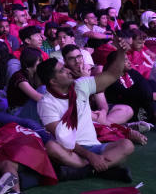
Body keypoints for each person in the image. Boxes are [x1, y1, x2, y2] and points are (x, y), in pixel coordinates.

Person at [36, 50, 135, 180]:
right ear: (53, 81)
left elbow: (112, 74)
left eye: (65, 67)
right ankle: (103, 168)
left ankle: (86, 171)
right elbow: (62, 139)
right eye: (62, 71)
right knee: (51, 147)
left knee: (127, 145)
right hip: (71, 151)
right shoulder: (46, 103)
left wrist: (121, 50)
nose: (68, 71)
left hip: (95, 146)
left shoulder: (81, 85)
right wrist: (89, 156)